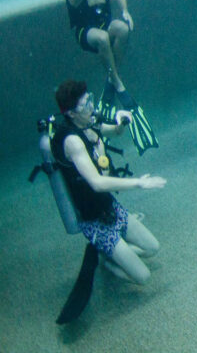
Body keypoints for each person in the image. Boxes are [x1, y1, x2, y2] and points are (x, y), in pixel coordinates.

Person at [51, 79, 165, 284]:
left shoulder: (88, 121)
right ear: (71, 113)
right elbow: (97, 183)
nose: (92, 107)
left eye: (91, 100)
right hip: (94, 220)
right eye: (86, 105)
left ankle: (115, 253)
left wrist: (120, 120)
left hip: (110, 206)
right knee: (143, 277)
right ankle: (109, 263)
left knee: (152, 248)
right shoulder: (72, 141)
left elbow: (114, 130)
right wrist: (139, 183)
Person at [61, 0, 157, 154]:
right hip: (84, 30)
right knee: (103, 38)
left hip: (103, 23)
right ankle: (117, 82)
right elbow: (74, 0)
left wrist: (125, 12)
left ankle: (111, 79)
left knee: (122, 29)